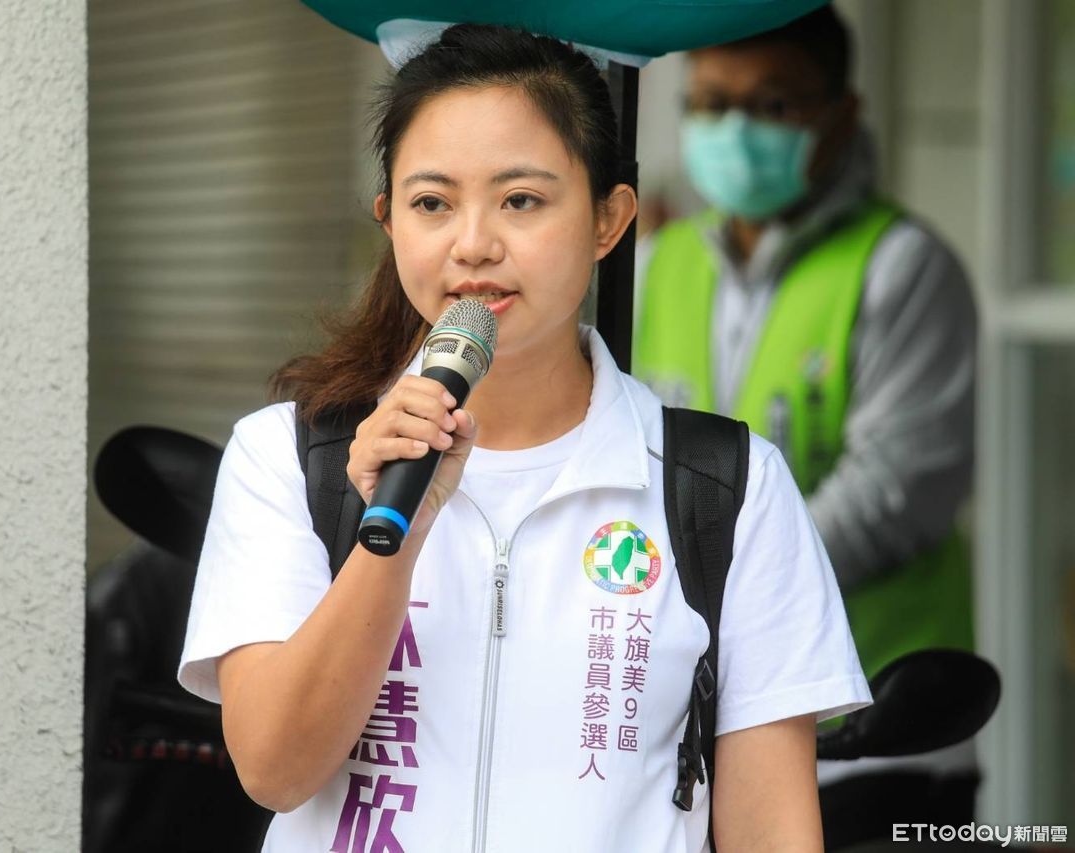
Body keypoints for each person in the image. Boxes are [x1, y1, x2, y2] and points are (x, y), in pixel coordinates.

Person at [179, 23, 868, 852]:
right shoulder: (289, 459)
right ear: (389, 220)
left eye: (521, 201)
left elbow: (772, 830)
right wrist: (393, 534)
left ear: (610, 220)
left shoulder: (727, 487)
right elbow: (275, 769)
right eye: (432, 203)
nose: (474, 244)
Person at [632, 6, 978, 848]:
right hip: (705, 739)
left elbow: (894, 493)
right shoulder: (657, 264)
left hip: (872, 738)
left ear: (840, 113)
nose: (735, 129)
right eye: (711, 104)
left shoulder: (901, 266)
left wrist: (716, 585)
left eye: (772, 104)